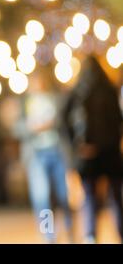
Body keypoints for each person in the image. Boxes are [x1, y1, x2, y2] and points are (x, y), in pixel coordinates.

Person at [63, 55, 123, 243]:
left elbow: (63, 121)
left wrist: (77, 146)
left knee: (89, 198)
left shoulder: (76, 91)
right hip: (110, 152)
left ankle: (90, 236)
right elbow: (118, 121)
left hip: (88, 154)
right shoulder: (109, 89)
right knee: (115, 197)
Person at [14, 70, 73, 243]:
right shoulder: (24, 103)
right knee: (42, 197)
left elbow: (64, 121)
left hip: (57, 151)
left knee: (64, 195)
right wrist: (31, 127)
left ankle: (69, 230)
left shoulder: (55, 98)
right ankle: (48, 235)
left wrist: (51, 123)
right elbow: (17, 127)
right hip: (36, 155)